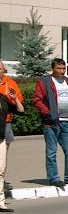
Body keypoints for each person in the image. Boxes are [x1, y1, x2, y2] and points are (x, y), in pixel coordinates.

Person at [32, 58, 68, 190]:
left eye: (63, 68)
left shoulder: (66, 81)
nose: (62, 71)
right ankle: (54, 178)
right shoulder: (44, 81)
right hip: (52, 123)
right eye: (59, 68)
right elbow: (36, 100)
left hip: (66, 122)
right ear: (53, 69)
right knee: (51, 152)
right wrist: (48, 113)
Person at [0, 58, 25, 206]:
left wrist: (15, 99)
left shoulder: (10, 84)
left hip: (5, 124)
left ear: (3, 69)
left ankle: (2, 182)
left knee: (2, 158)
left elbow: (20, 108)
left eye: (0, 68)